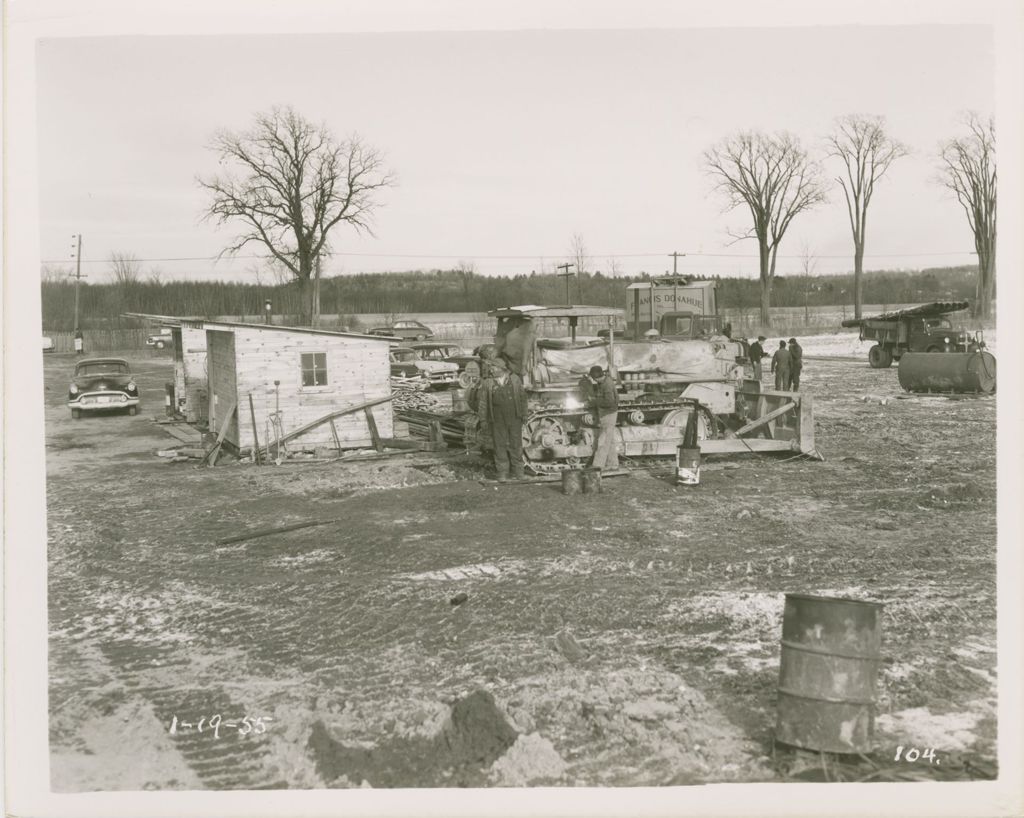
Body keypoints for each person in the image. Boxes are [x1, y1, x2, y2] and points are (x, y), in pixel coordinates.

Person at [478, 358, 527, 481]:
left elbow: (523, 398)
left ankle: (519, 472)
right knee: (499, 446)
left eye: (493, 368)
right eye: (491, 368)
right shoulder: (488, 383)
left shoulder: (515, 380)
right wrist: (483, 419)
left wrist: (524, 414)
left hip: (514, 417)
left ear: (501, 369)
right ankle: (503, 473)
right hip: (497, 419)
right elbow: (483, 403)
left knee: (516, 445)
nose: (491, 370)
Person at [579, 364, 620, 472]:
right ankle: (613, 464)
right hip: (606, 414)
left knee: (602, 440)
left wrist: (593, 402)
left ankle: (597, 466)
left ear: (595, 377)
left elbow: (609, 402)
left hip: (608, 414)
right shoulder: (603, 382)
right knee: (609, 441)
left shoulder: (607, 384)